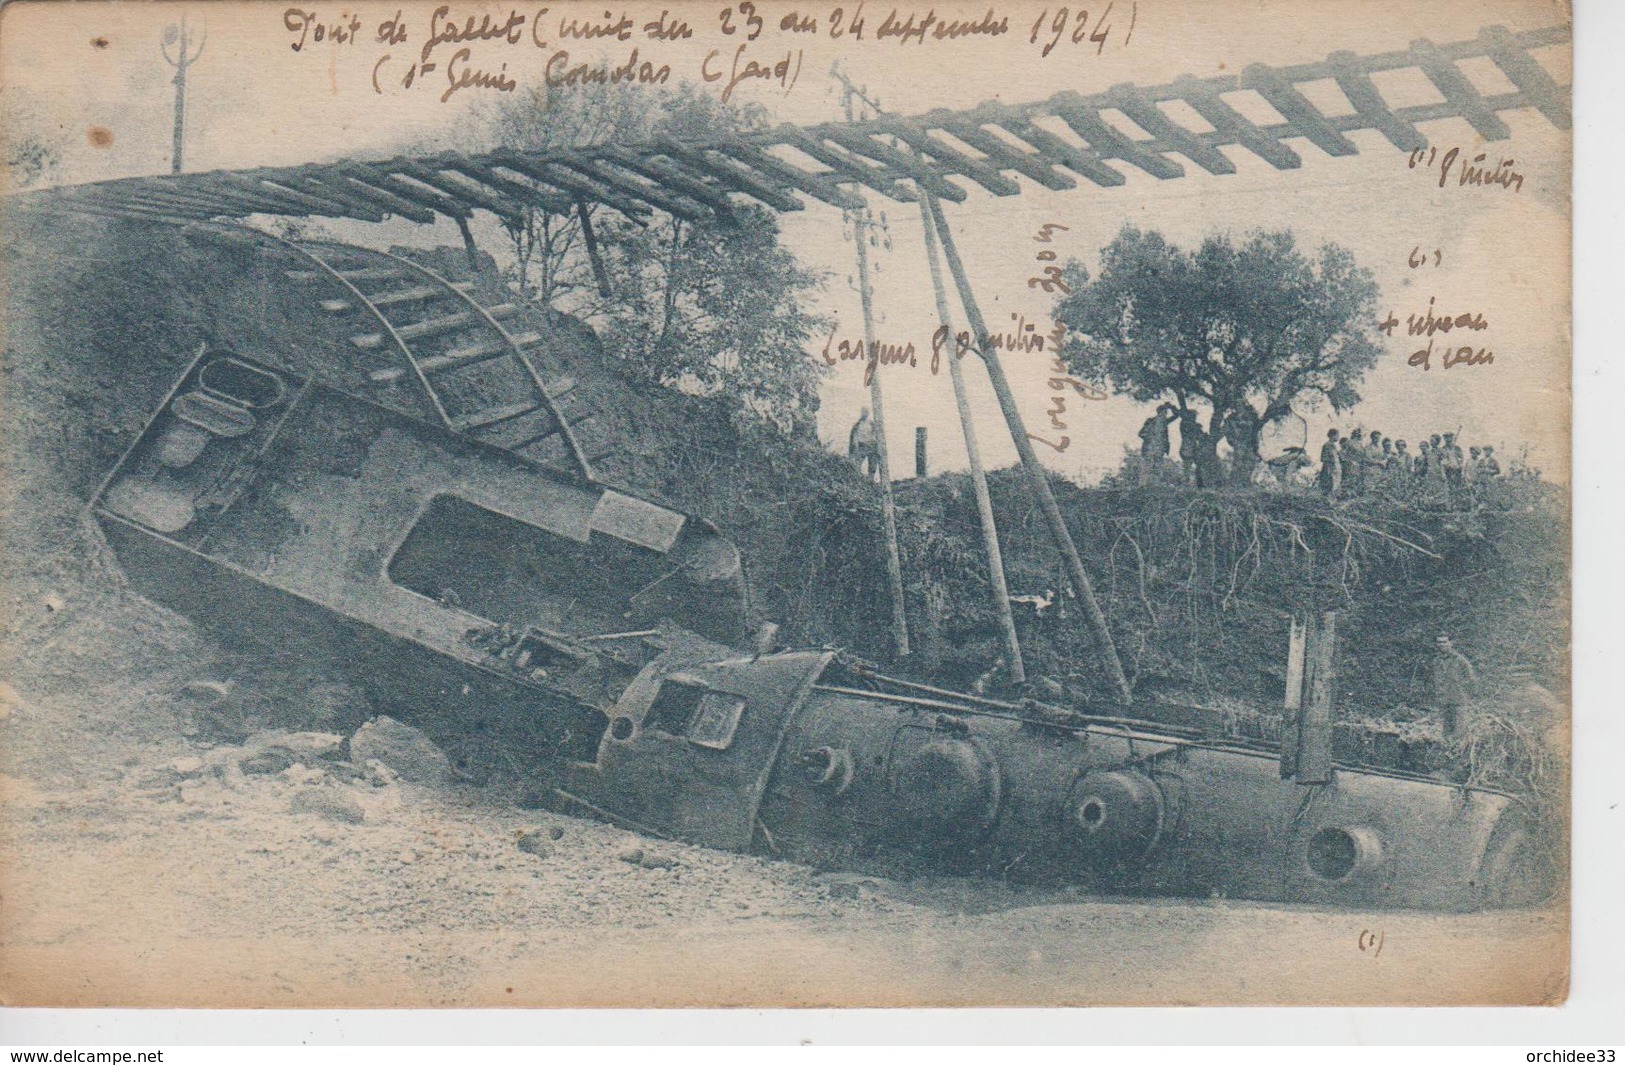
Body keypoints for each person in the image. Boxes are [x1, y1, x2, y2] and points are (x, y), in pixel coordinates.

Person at [1426, 634, 1478, 741]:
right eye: (1439, 642)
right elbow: (1433, 680)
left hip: (1459, 699)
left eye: (1444, 642)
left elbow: (1471, 679)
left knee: (1460, 732)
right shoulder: (1436, 662)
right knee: (1446, 732)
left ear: (1451, 643)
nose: (1442, 644)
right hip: (1444, 700)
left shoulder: (1460, 660)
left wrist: (1464, 692)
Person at [1136, 403, 1176, 485]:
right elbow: (1140, 433)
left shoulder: (1164, 422)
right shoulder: (1150, 421)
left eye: (1166, 413)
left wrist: (1171, 407)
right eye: (1164, 412)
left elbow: (1176, 415)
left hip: (1160, 447)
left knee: (1158, 465)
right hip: (1150, 447)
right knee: (1147, 465)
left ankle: (1156, 484)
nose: (1165, 415)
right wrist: (1149, 438)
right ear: (1160, 412)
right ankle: (1143, 484)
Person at [848, 407, 880, 480]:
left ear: (868, 413)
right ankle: (857, 479)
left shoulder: (872, 423)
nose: (864, 413)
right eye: (862, 412)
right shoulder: (858, 424)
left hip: (872, 446)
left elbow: (876, 435)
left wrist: (875, 443)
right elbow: (854, 436)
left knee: (873, 465)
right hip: (862, 446)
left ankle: (871, 480)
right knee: (857, 463)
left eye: (865, 412)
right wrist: (855, 445)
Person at [1339, 428, 1365, 496]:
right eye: (1354, 433)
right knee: (1349, 480)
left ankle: (1355, 494)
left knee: (1356, 480)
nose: (1356, 434)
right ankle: (1347, 494)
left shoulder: (1360, 444)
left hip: (1358, 465)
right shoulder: (1349, 442)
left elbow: (1363, 455)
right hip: (1350, 464)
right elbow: (1344, 453)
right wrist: (1349, 460)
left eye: (1357, 433)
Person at [1317, 428, 1342, 500]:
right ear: (1332, 435)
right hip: (1328, 468)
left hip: (1332, 468)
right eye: (1337, 435)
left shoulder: (1332, 446)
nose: (1338, 437)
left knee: (1332, 486)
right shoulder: (1328, 445)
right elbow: (1323, 458)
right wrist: (1330, 465)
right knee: (1328, 485)